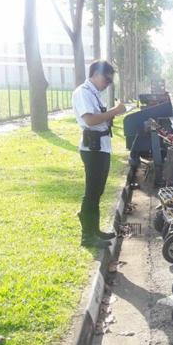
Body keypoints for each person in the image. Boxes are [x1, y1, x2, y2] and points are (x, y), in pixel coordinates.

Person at [72, 60, 127, 248]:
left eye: (111, 81)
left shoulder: (94, 94)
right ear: (95, 74)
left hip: (101, 147)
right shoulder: (83, 93)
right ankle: (87, 237)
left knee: (97, 192)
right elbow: (90, 120)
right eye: (107, 78)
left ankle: (93, 229)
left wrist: (112, 113)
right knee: (92, 193)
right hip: (92, 149)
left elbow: (99, 118)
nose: (108, 83)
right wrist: (115, 111)